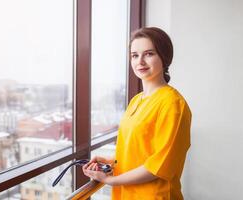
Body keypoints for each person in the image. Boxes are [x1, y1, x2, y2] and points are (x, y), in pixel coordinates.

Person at [82, 27, 192, 199]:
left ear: (164, 57)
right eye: (134, 55)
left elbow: (160, 165)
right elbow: (138, 150)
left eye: (149, 54)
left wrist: (111, 180)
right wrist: (110, 160)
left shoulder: (172, 104)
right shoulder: (137, 100)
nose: (140, 61)